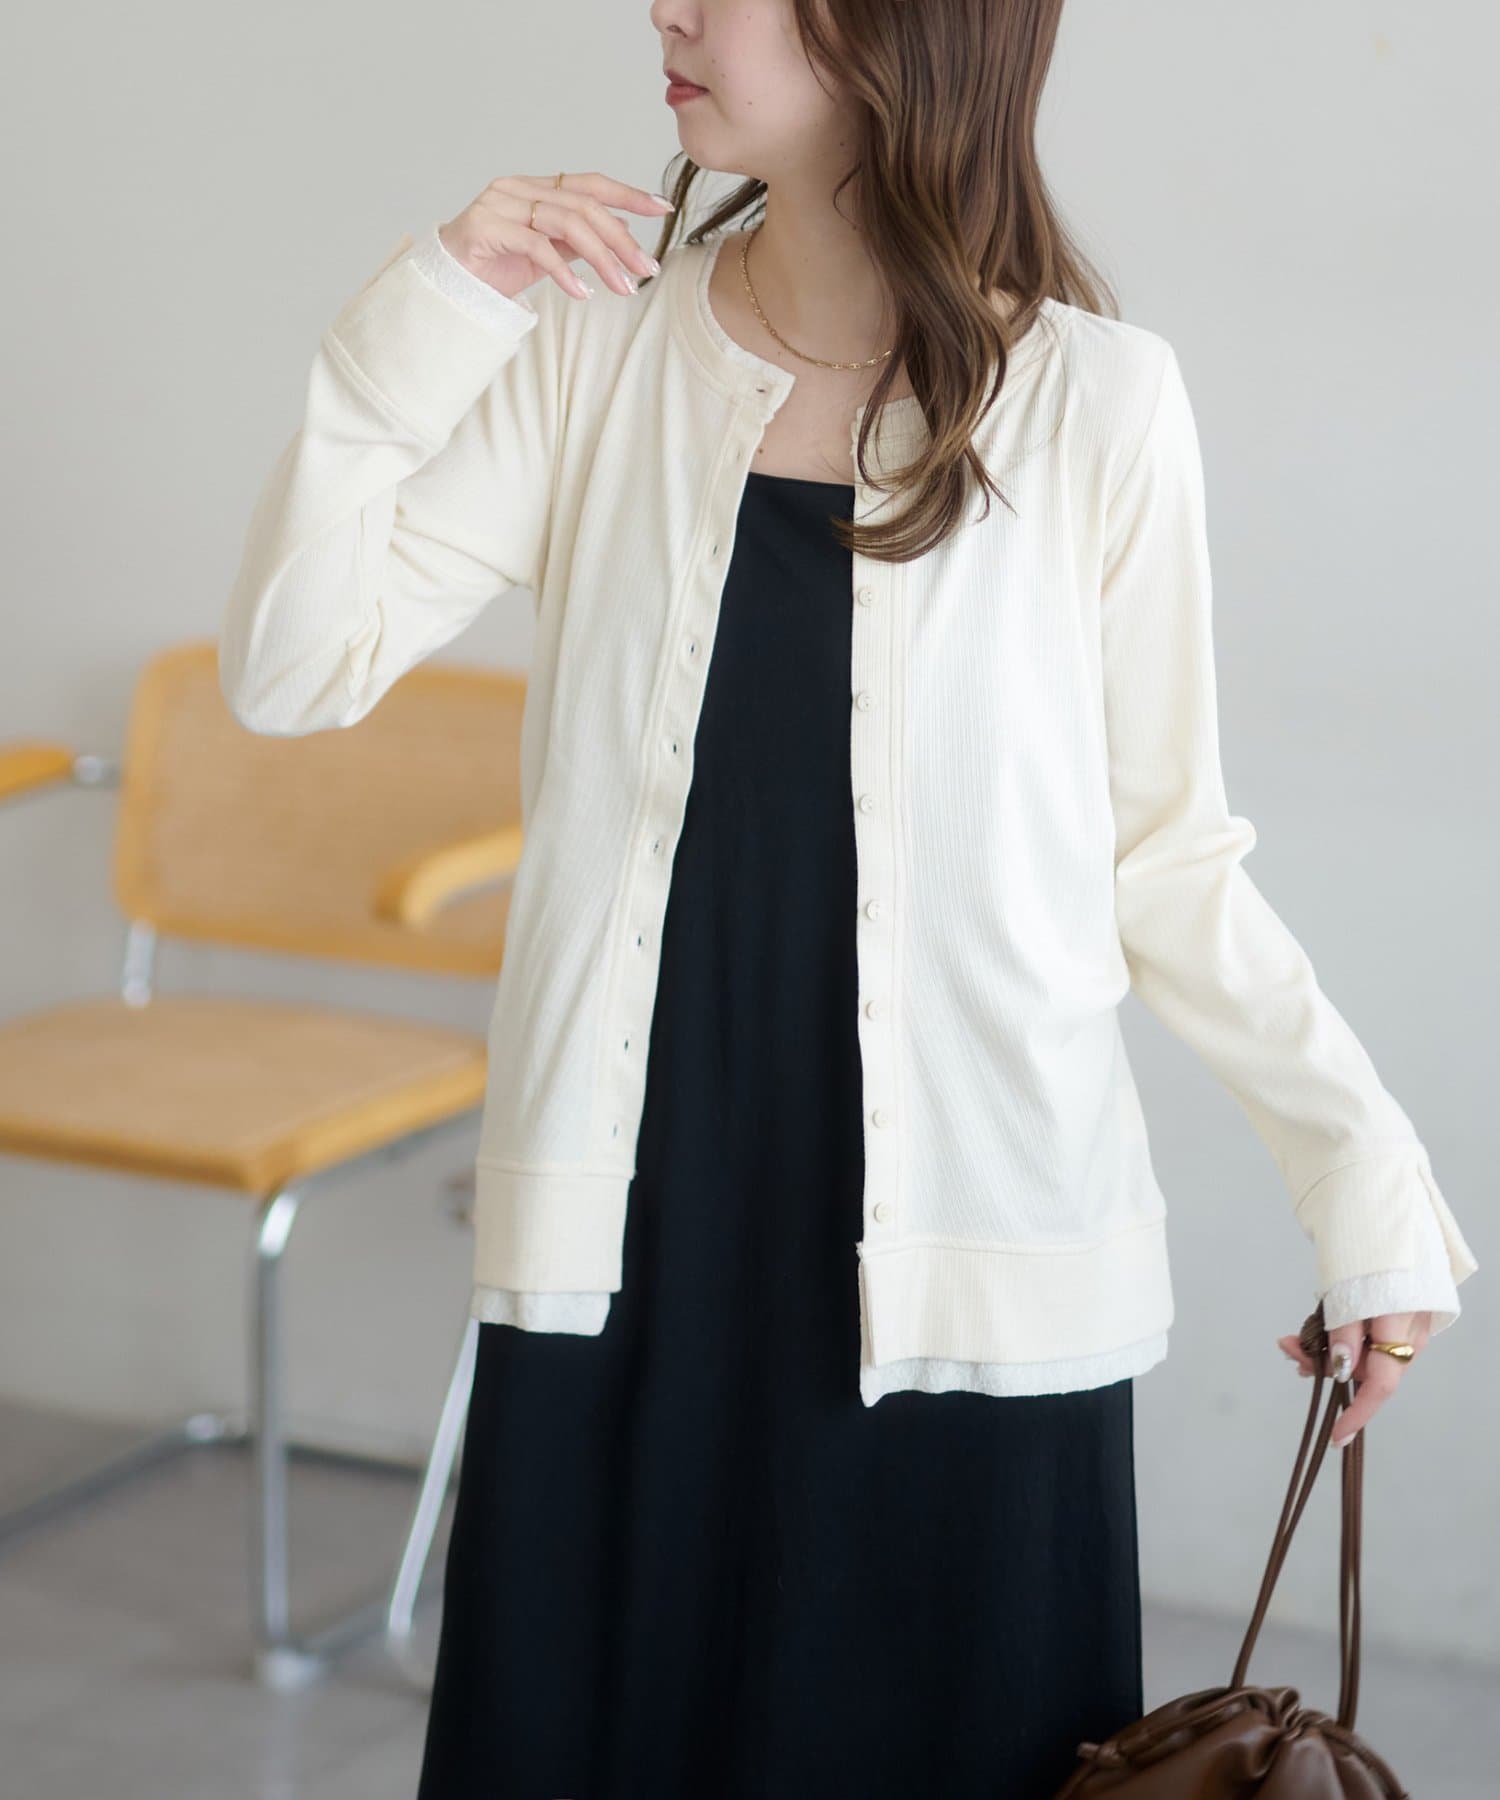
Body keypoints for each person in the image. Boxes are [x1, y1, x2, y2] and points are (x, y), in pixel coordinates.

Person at [219, 2, 1478, 1793]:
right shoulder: (597, 353)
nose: (668, 7)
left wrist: (1367, 1187)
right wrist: (431, 311)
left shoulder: (1099, 402)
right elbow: (293, 668)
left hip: (974, 1274)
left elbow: (1170, 855)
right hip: (630, 1255)